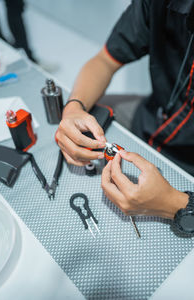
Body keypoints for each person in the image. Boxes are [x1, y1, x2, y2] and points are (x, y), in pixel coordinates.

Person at [56, 0, 194, 232]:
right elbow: (105, 61)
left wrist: (175, 205)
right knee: (93, 112)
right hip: (149, 116)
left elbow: (179, 206)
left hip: (187, 162)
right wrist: (73, 109)